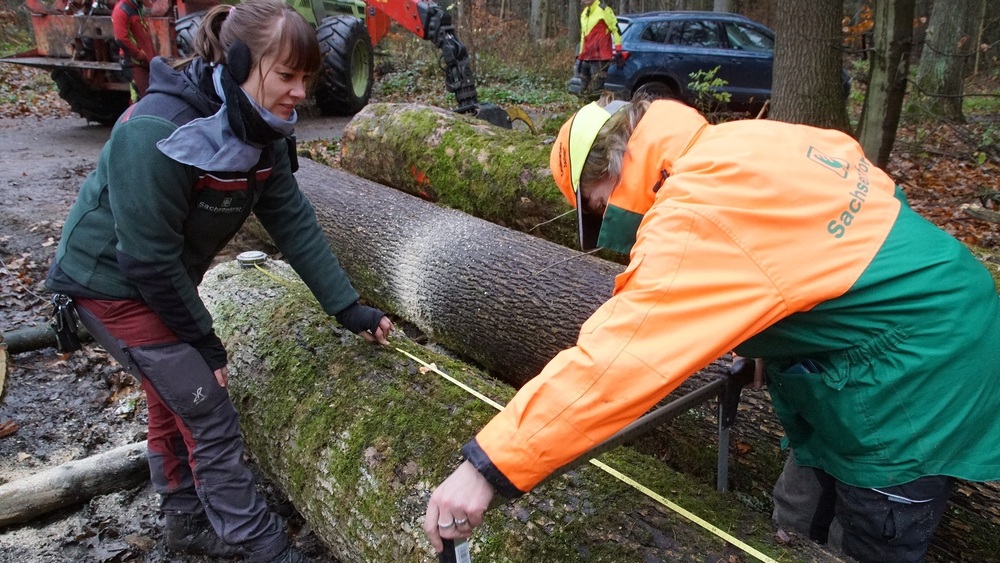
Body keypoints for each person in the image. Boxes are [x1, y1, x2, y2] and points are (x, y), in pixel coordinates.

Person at [423, 96, 1000, 563]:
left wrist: (488, 468)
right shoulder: (737, 142)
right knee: (796, 517)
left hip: (921, 365)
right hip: (927, 310)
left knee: (874, 535)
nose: (602, 225)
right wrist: (770, 333)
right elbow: (847, 217)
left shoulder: (692, 212)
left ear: (614, 175)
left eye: (596, 206)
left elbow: (619, 358)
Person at [44, 1, 394, 561]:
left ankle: (184, 520)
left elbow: (292, 219)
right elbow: (146, 261)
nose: (301, 92)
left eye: (306, 78)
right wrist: (204, 341)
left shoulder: (264, 129)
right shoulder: (157, 131)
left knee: (174, 398)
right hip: (110, 283)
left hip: (160, 280)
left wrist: (347, 306)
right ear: (235, 62)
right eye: (286, 75)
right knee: (205, 403)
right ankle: (259, 544)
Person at [573, 0, 621, 96]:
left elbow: (616, 30)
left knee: (596, 91)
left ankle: (598, 109)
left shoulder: (604, 10)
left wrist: (618, 50)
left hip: (600, 57)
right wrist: (580, 58)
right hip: (586, 57)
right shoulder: (584, 14)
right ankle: (584, 110)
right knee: (583, 91)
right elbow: (583, 37)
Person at [111, 0, 155, 102]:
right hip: (135, 64)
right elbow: (121, 39)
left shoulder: (136, 9)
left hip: (144, 63)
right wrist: (140, 56)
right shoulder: (122, 10)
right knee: (141, 100)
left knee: (147, 99)